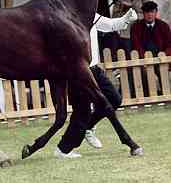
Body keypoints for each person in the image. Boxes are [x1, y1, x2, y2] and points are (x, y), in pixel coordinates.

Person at [54, 8, 138, 158]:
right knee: (82, 111)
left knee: (115, 99)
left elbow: (110, 25)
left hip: (95, 69)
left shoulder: (92, 15)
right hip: (78, 72)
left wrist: (126, 19)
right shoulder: (67, 19)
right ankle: (63, 149)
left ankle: (89, 126)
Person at [130, 1, 171, 94]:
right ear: (143, 14)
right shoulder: (136, 27)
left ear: (156, 12)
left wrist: (165, 55)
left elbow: (169, 44)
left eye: (152, 12)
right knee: (144, 73)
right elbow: (136, 45)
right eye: (147, 12)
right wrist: (144, 58)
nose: (149, 15)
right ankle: (148, 94)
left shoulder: (163, 26)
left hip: (161, 58)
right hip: (144, 59)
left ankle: (166, 93)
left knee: (163, 70)